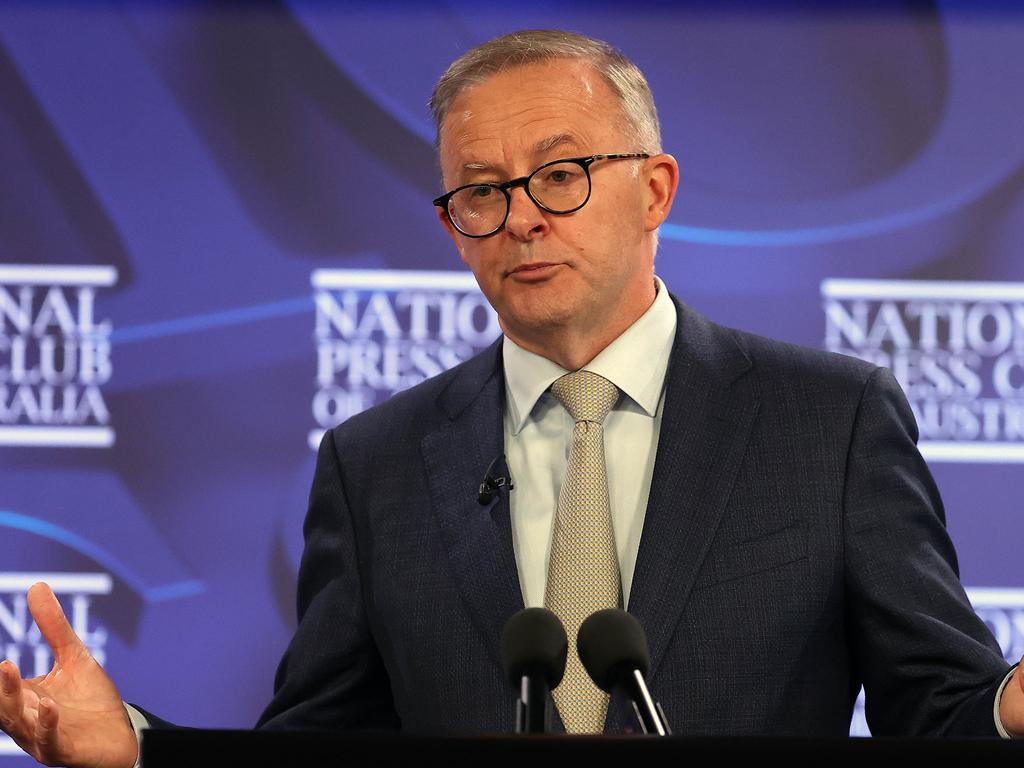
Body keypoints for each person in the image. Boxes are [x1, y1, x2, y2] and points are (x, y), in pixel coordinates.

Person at [1, 29, 1022, 768]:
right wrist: (129, 751)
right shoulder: (376, 462)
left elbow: (936, 710)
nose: (520, 220)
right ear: (452, 226)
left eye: (562, 175)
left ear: (655, 189)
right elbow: (316, 747)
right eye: (481, 192)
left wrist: (1010, 708)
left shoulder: (828, 421)